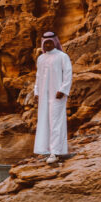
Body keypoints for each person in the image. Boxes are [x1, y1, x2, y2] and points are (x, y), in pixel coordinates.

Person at [33, 31, 72, 163]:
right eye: (45, 43)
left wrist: (63, 89)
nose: (48, 45)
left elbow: (68, 74)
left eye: (50, 42)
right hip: (44, 95)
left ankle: (56, 152)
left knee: (56, 122)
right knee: (44, 121)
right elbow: (38, 77)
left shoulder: (62, 56)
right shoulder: (41, 58)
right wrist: (36, 92)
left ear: (55, 42)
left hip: (57, 95)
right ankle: (46, 150)